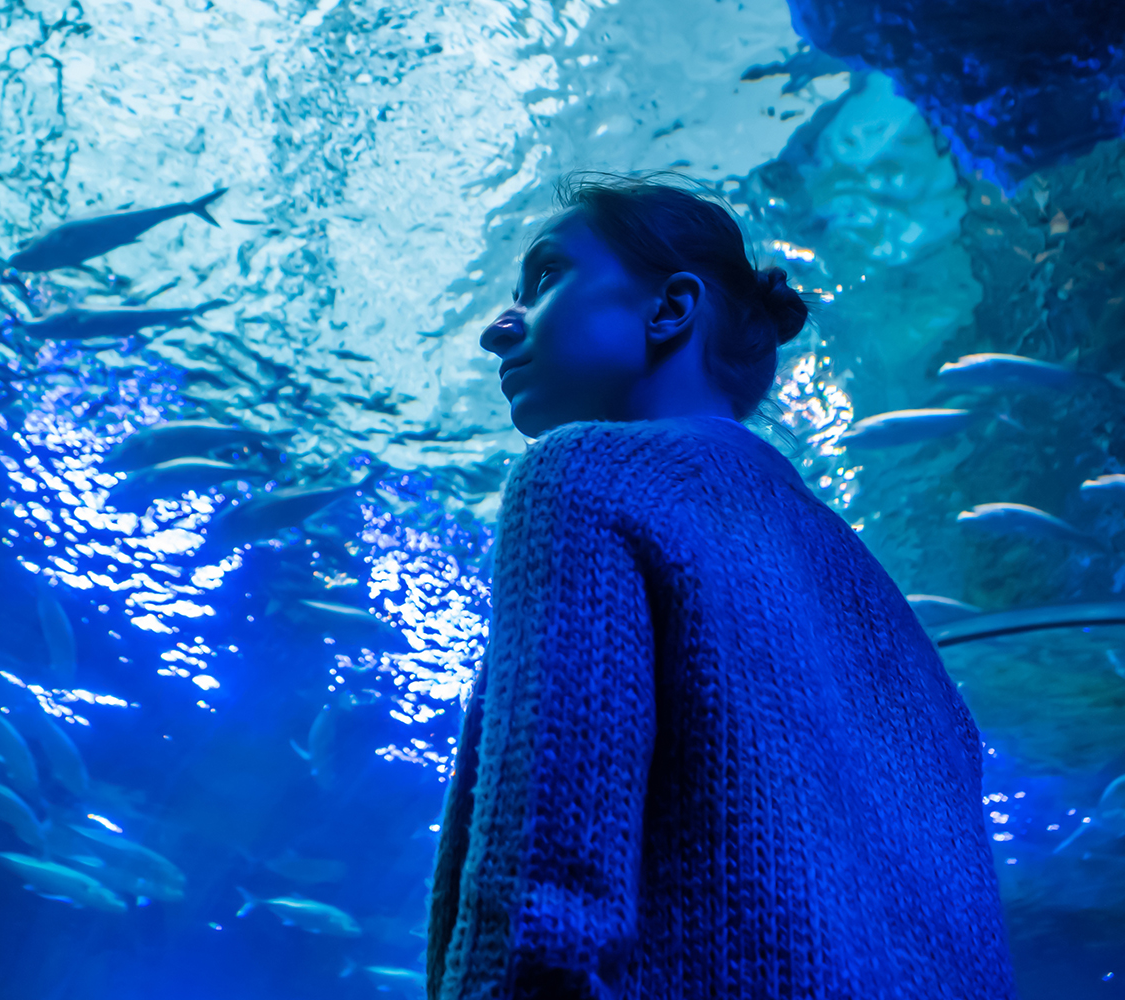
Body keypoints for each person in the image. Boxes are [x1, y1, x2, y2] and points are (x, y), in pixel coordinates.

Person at [426, 173, 1017, 999]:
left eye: (547, 275)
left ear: (669, 310)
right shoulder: (908, 636)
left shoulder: (586, 476)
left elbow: (544, 891)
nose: (499, 328)